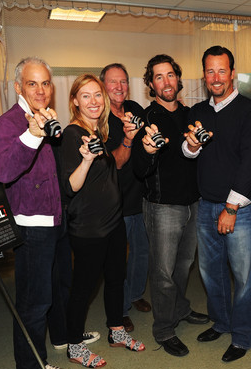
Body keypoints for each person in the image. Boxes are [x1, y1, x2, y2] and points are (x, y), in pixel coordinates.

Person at [0, 57, 89, 369]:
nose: (41, 89)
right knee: (35, 303)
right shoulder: (10, 122)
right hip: (33, 227)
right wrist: (32, 135)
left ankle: (60, 337)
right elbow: (2, 170)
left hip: (56, 219)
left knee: (59, 290)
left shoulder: (48, 117)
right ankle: (31, 364)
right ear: (19, 86)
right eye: (32, 83)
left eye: (46, 82)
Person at [183, 45, 251, 363]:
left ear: (232, 73)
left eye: (222, 70)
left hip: (240, 209)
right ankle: (222, 322)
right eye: (209, 71)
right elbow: (191, 154)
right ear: (204, 75)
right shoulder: (197, 111)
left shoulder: (250, 110)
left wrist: (230, 208)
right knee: (210, 272)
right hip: (206, 205)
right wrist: (190, 146)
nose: (216, 77)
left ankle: (244, 335)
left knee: (243, 276)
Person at [60, 74, 146, 368]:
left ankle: (116, 332)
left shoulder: (100, 131)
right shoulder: (73, 134)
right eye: (86, 96)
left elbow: (115, 167)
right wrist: (84, 160)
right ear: (75, 101)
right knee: (83, 288)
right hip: (89, 228)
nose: (94, 101)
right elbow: (71, 186)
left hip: (114, 222)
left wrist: (129, 139)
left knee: (115, 280)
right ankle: (74, 346)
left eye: (98, 95)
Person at [132, 54, 209, 357]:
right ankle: (164, 329)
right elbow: (141, 167)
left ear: (179, 79)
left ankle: (180, 308)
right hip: (163, 206)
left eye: (170, 75)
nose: (166, 82)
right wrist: (148, 150)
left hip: (194, 203)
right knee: (163, 272)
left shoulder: (192, 113)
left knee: (183, 265)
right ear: (151, 84)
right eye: (158, 77)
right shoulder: (149, 117)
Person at [100, 63, 150, 332]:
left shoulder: (136, 110)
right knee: (118, 259)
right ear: (103, 86)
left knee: (141, 253)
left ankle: (135, 294)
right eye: (112, 82)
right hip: (114, 201)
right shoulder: (99, 118)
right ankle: (120, 310)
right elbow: (117, 163)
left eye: (123, 81)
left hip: (140, 195)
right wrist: (129, 138)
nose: (119, 87)